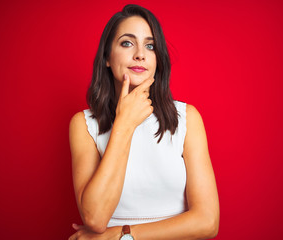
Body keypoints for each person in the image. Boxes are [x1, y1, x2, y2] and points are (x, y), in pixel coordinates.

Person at [68, 4, 219, 240]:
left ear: (157, 59)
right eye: (127, 43)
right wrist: (124, 124)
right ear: (107, 57)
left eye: (150, 46)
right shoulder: (84, 125)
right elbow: (95, 219)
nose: (140, 54)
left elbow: (208, 222)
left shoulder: (187, 118)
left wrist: (121, 235)